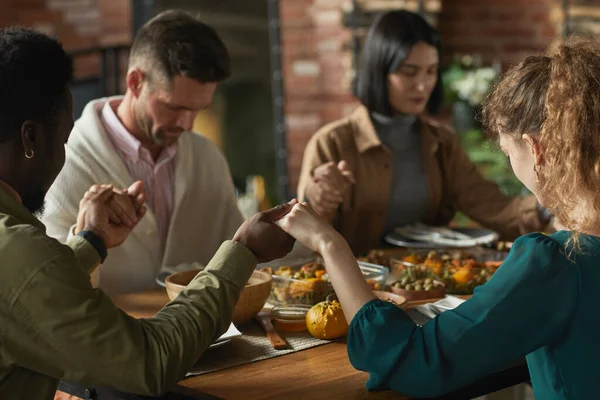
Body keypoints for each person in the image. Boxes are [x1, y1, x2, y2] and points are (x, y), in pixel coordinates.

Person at [277, 37, 600, 398]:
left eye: (509, 152)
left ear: (536, 150)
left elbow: (413, 361)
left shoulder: (555, 263)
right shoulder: (334, 140)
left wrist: (329, 243)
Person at [0, 27, 296, 399]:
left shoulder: (15, 250)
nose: (187, 124)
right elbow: (149, 362)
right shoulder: (16, 246)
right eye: (62, 140)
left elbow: (29, 290)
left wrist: (91, 241)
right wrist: (242, 251)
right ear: (30, 138)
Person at [297, 10, 551, 255]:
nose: (422, 85)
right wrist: (319, 198)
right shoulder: (332, 143)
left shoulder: (442, 143)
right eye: (409, 72)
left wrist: (554, 202)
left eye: (431, 71)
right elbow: (306, 235)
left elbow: (494, 208)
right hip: (353, 286)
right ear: (379, 71)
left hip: (427, 281)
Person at [41, 10, 245, 294]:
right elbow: (48, 289)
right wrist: (87, 237)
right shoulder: (62, 162)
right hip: (107, 334)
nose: (188, 125)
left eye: (199, 109)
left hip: (200, 333)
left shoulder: (207, 156)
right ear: (135, 82)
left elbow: (240, 249)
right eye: (174, 107)